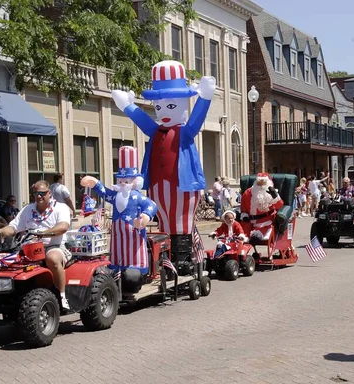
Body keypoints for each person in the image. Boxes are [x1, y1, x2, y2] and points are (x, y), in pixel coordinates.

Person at [112, 60, 215, 236]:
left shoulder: (185, 131)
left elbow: (196, 120)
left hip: (184, 186)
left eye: (171, 106)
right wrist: (127, 106)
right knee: (163, 224)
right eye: (159, 107)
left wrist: (205, 98)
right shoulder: (156, 131)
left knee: (182, 226)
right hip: (156, 187)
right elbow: (142, 120)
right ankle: (168, 251)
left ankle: (184, 251)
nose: (164, 112)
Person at [81, 146, 158, 286]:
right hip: (117, 235)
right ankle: (116, 268)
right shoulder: (116, 196)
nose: (122, 184)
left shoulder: (136, 197)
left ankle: (135, 271)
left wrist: (146, 216)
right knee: (115, 256)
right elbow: (104, 192)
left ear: (134, 181)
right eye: (121, 181)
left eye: (126, 181)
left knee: (133, 263)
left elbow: (151, 205)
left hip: (135, 237)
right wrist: (95, 183)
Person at [0, 181, 73, 310]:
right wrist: (0, 232)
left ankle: (61, 296)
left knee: (53, 259)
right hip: (30, 247)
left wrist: (44, 233)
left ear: (49, 193)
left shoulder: (61, 207)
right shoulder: (28, 210)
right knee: (5, 261)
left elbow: (63, 227)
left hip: (54, 246)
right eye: (36, 193)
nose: (39, 196)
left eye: (43, 193)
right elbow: (13, 227)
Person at [240, 173, 283, 240]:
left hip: (267, 221)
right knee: (242, 237)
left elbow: (279, 205)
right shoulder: (248, 192)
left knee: (263, 235)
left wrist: (275, 197)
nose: (261, 185)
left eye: (263, 183)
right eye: (259, 183)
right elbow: (243, 205)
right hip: (250, 222)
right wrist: (244, 215)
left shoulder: (272, 192)